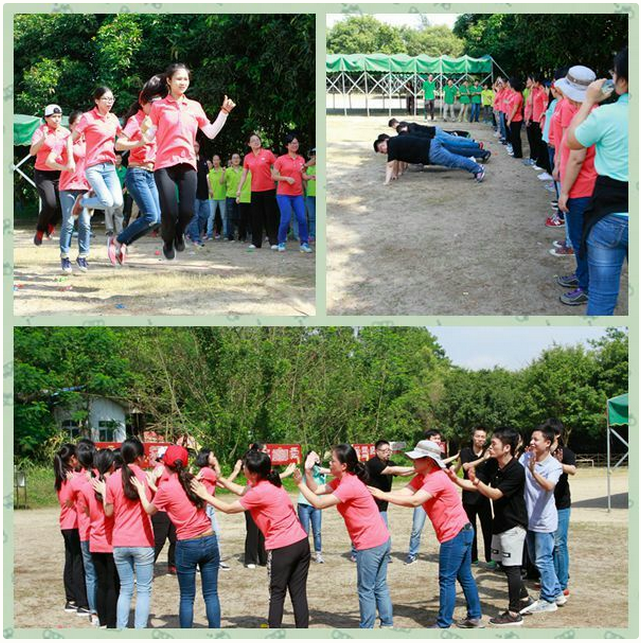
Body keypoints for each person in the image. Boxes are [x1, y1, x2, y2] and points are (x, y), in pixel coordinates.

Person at [368, 439, 483, 629]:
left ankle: (444, 623)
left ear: (429, 461)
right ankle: (475, 616)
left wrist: (382, 495)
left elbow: (415, 501)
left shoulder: (437, 478)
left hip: (455, 534)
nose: (412, 462)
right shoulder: (422, 476)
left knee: (447, 579)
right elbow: (406, 492)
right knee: (464, 576)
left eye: (416, 458)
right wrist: (379, 493)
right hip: (462, 531)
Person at [192, 448, 310, 628]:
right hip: (300, 542)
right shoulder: (270, 483)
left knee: (277, 594)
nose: (242, 468)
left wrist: (205, 495)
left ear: (253, 473)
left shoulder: (259, 492)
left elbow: (229, 508)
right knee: (298, 594)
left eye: (245, 466)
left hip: (283, 547)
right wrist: (219, 478)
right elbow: (241, 490)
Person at [143, 62, 236, 260]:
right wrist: (144, 130)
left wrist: (224, 113)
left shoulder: (194, 106)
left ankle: (178, 234)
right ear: (169, 81)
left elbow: (210, 133)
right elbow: (149, 136)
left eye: (185, 79)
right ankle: (168, 241)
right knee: (169, 212)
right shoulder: (159, 106)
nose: (183, 82)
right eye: (178, 78)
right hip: (164, 164)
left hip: (187, 163)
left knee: (187, 212)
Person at [294, 444, 393, 629]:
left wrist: (299, 483)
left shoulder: (349, 485)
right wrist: (308, 472)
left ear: (344, 465)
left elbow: (318, 503)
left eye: (333, 461)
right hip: (380, 538)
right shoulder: (343, 480)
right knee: (379, 586)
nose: (330, 463)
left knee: (366, 590)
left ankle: (367, 630)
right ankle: (387, 625)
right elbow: (316, 490)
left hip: (370, 543)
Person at [448, 428, 532, 627]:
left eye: (494, 444)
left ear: (507, 448)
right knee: (504, 565)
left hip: (514, 525)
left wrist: (476, 481)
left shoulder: (516, 470)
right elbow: (474, 484)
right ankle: (526, 599)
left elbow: (495, 494)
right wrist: (455, 480)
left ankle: (513, 613)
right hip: (500, 523)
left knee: (512, 569)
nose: (489, 447)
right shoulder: (494, 464)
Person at [567, 47, 628, 315]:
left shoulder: (606, 115)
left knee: (601, 300)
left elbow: (572, 140)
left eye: (614, 73)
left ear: (622, 81)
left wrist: (588, 102)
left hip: (608, 215)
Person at [132, 445, 221, 629]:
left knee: (187, 597)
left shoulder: (166, 488)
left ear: (165, 464)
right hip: (209, 538)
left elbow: (150, 510)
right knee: (211, 594)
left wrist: (143, 490)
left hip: (188, 544)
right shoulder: (195, 481)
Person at [554, 65, 598, 306]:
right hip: (585, 185)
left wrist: (565, 193)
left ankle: (587, 286)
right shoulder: (591, 111)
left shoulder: (586, 116)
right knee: (580, 239)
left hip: (581, 188)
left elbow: (577, 157)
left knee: (580, 240)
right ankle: (582, 276)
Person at [110, 75, 165, 265]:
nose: (157, 108)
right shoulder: (136, 119)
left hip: (152, 174)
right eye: (153, 104)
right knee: (150, 215)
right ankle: (118, 240)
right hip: (137, 173)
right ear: (144, 103)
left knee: (156, 219)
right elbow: (119, 144)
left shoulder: (157, 123)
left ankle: (123, 242)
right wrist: (140, 140)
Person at [104, 437, 155, 629]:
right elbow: (151, 506)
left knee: (125, 589)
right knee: (143, 590)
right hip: (142, 540)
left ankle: (121, 629)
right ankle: (140, 631)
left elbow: (108, 512)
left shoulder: (113, 479)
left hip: (120, 541)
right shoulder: (145, 478)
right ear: (140, 457)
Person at [518, 424, 565, 615]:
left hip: (545, 521)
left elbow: (548, 486)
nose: (532, 442)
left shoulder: (554, 465)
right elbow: (516, 473)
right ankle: (558, 593)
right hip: (529, 518)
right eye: (531, 439)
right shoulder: (526, 456)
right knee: (537, 559)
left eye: (536, 439)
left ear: (548, 443)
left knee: (543, 560)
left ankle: (548, 599)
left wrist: (534, 471)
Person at [405, 430, 459, 564]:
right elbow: (409, 495)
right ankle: (412, 553)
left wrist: (459, 461)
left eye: (439, 439)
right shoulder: (421, 474)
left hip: (434, 497)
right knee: (417, 527)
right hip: (424, 494)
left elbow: (451, 469)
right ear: (428, 439)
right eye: (435, 438)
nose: (438, 441)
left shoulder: (438, 468)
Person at [47, 109, 92, 274]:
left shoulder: (90, 142)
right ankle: (65, 256)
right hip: (67, 187)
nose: (82, 127)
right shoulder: (65, 142)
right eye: (79, 124)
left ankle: (83, 256)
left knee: (85, 224)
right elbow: (49, 160)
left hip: (86, 188)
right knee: (69, 223)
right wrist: (64, 167)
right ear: (72, 125)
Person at [85, 448, 121, 628]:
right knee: (114, 584)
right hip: (114, 541)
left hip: (95, 539)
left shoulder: (86, 486)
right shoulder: (115, 484)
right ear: (113, 464)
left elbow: (85, 511)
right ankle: (113, 623)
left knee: (101, 583)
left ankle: (103, 621)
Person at [54, 443, 90, 616]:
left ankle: (71, 599)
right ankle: (82, 602)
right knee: (78, 563)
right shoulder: (73, 477)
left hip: (65, 524)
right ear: (72, 459)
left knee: (70, 561)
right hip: (74, 524)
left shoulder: (61, 477)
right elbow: (76, 497)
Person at [68, 440, 98, 625]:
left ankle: (93, 611)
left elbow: (68, 501)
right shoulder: (101, 477)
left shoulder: (75, 480)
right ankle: (104, 608)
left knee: (90, 573)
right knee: (104, 573)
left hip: (85, 532)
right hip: (102, 533)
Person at [374, 134, 485, 184]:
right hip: (430, 147)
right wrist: (396, 174)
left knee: (453, 161)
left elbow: (390, 164)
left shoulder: (392, 145)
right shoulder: (394, 142)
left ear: (383, 143)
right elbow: (396, 162)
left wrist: (386, 182)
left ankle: (477, 169)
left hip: (430, 151)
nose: (383, 151)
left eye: (381, 148)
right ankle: (475, 167)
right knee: (453, 160)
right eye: (381, 151)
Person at [30, 104, 68, 245]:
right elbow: (32, 152)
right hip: (43, 173)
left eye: (59, 116)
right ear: (46, 118)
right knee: (50, 204)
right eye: (53, 116)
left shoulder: (65, 132)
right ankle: (40, 230)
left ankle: (51, 226)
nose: (57, 119)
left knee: (64, 205)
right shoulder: (40, 131)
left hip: (60, 172)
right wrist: (43, 138)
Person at [455, 428, 494, 567]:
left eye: (483, 437)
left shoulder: (490, 453)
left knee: (488, 527)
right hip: (468, 496)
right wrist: (483, 459)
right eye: (478, 436)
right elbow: (466, 467)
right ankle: (472, 557)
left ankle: (490, 558)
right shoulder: (466, 452)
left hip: (484, 495)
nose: (480, 439)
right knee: (470, 528)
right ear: (473, 437)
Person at [237, 133, 279, 250]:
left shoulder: (268, 153)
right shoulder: (247, 157)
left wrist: (282, 179)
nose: (256, 142)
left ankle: (273, 241)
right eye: (253, 140)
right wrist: (239, 189)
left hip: (269, 189)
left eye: (258, 140)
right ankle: (256, 242)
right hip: (255, 190)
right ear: (249, 144)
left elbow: (277, 167)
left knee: (270, 216)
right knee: (256, 217)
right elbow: (244, 175)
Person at [549, 420, 576, 597]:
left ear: (557, 435)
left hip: (561, 504)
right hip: (545, 505)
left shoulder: (564, 452)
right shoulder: (541, 452)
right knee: (548, 545)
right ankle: (551, 580)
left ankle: (562, 582)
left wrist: (558, 464)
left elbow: (573, 469)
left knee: (559, 544)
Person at [272, 134, 313, 253]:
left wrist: (310, 177)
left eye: (296, 143)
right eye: (292, 143)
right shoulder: (280, 160)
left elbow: (302, 175)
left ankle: (304, 243)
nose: (295, 145)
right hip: (283, 194)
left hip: (298, 194)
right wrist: (286, 178)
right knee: (285, 218)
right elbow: (273, 176)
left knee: (302, 218)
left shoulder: (301, 159)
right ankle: (281, 242)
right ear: (287, 145)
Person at [195, 448, 231, 570]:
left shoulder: (206, 471)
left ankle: (215, 559)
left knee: (211, 533)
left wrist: (235, 472)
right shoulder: (207, 471)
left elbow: (223, 484)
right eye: (212, 456)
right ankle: (209, 560)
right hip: (206, 506)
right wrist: (217, 465)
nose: (214, 458)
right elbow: (220, 478)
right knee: (211, 534)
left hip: (207, 506)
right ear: (206, 458)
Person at [390, 119, 490, 161]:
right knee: (455, 143)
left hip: (435, 136)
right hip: (434, 136)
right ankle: (476, 147)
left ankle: (474, 144)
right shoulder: (410, 128)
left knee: (455, 142)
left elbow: (420, 135)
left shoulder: (411, 128)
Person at [296, 451, 330, 564]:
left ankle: (318, 554)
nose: (316, 457)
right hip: (304, 504)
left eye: (317, 455)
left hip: (316, 504)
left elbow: (328, 472)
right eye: (313, 455)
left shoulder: (320, 470)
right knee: (305, 531)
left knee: (317, 531)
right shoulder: (310, 469)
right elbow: (326, 470)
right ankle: (303, 554)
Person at [221, 153, 243, 241]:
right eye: (234, 158)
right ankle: (230, 236)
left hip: (241, 196)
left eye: (237, 158)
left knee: (241, 216)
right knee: (230, 217)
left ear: (240, 160)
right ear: (231, 160)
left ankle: (241, 235)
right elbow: (221, 182)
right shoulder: (227, 170)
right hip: (230, 196)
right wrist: (223, 173)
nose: (236, 159)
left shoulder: (244, 170)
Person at [105, 151, 126, 236]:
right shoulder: (109, 169)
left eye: (119, 158)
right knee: (109, 211)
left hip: (120, 193)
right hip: (110, 193)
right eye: (116, 158)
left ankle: (119, 230)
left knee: (119, 212)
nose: (118, 160)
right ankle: (109, 229)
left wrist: (125, 189)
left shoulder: (124, 169)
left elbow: (128, 181)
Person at [206, 154, 226, 240]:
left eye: (217, 160)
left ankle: (226, 234)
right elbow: (208, 182)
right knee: (211, 216)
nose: (216, 162)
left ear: (220, 161)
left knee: (224, 216)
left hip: (223, 196)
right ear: (212, 161)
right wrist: (210, 189)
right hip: (212, 197)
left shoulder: (224, 171)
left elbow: (222, 182)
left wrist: (223, 173)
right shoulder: (209, 172)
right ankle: (209, 234)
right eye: (214, 160)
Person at [505, 77, 524, 158]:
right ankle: (515, 151)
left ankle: (518, 153)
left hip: (516, 119)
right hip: (512, 118)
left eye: (509, 83)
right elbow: (510, 104)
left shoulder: (518, 95)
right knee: (513, 136)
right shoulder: (513, 94)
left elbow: (515, 109)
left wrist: (509, 119)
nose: (507, 84)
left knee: (516, 137)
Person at [303, 148, 316, 242]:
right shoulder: (308, 167)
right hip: (310, 194)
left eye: (315, 153)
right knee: (311, 216)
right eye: (312, 153)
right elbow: (304, 178)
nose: (314, 155)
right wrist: (306, 188)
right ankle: (312, 234)